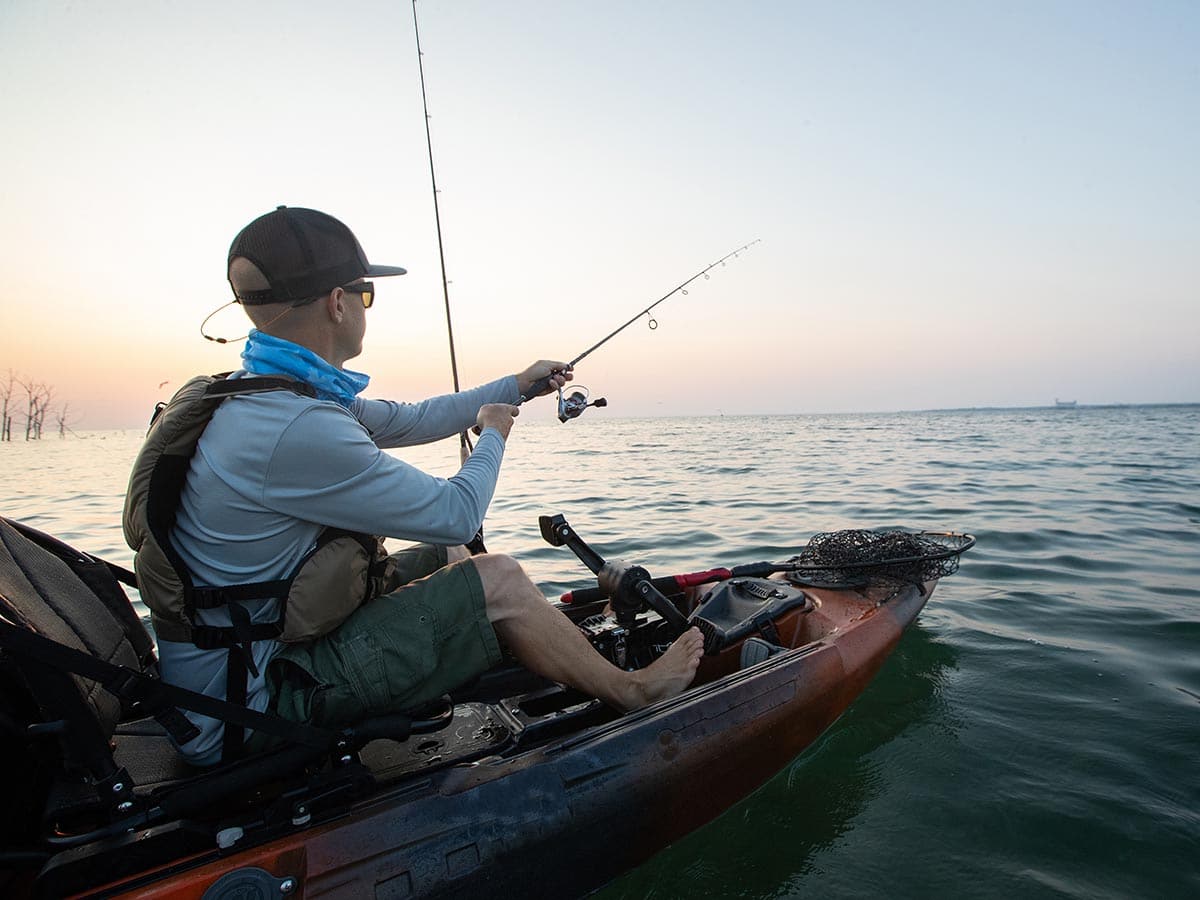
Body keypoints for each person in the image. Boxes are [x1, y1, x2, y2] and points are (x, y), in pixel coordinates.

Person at [146, 206, 703, 766]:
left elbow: (411, 418)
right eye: (365, 294)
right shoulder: (297, 427)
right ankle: (635, 691)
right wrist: (492, 435)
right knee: (498, 575)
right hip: (249, 709)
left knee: (451, 555)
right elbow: (457, 510)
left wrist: (518, 386)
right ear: (338, 303)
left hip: (234, 672)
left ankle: (523, 646)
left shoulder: (265, 393)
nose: (365, 307)